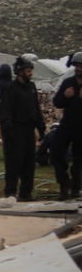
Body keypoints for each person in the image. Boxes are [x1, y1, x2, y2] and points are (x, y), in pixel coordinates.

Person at [0, 54, 46, 201]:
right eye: (27, 70)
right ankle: (11, 193)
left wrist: (41, 127)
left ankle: (26, 193)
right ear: (19, 71)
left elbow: (36, 108)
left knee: (29, 163)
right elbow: (5, 112)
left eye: (30, 70)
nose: (30, 73)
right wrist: (9, 131)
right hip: (15, 131)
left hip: (29, 130)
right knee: (14, 163)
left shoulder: (31, 87)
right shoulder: (10, 89)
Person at [52, 50, 82, 200]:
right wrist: (65, 96)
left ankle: (76, 188)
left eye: (81, 66)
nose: (79, 69)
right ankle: (64, 183)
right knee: (56, 152)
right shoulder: (68, 82)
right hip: (67, 124)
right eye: (77, 66)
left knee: (79, 159)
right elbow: (57, 102)